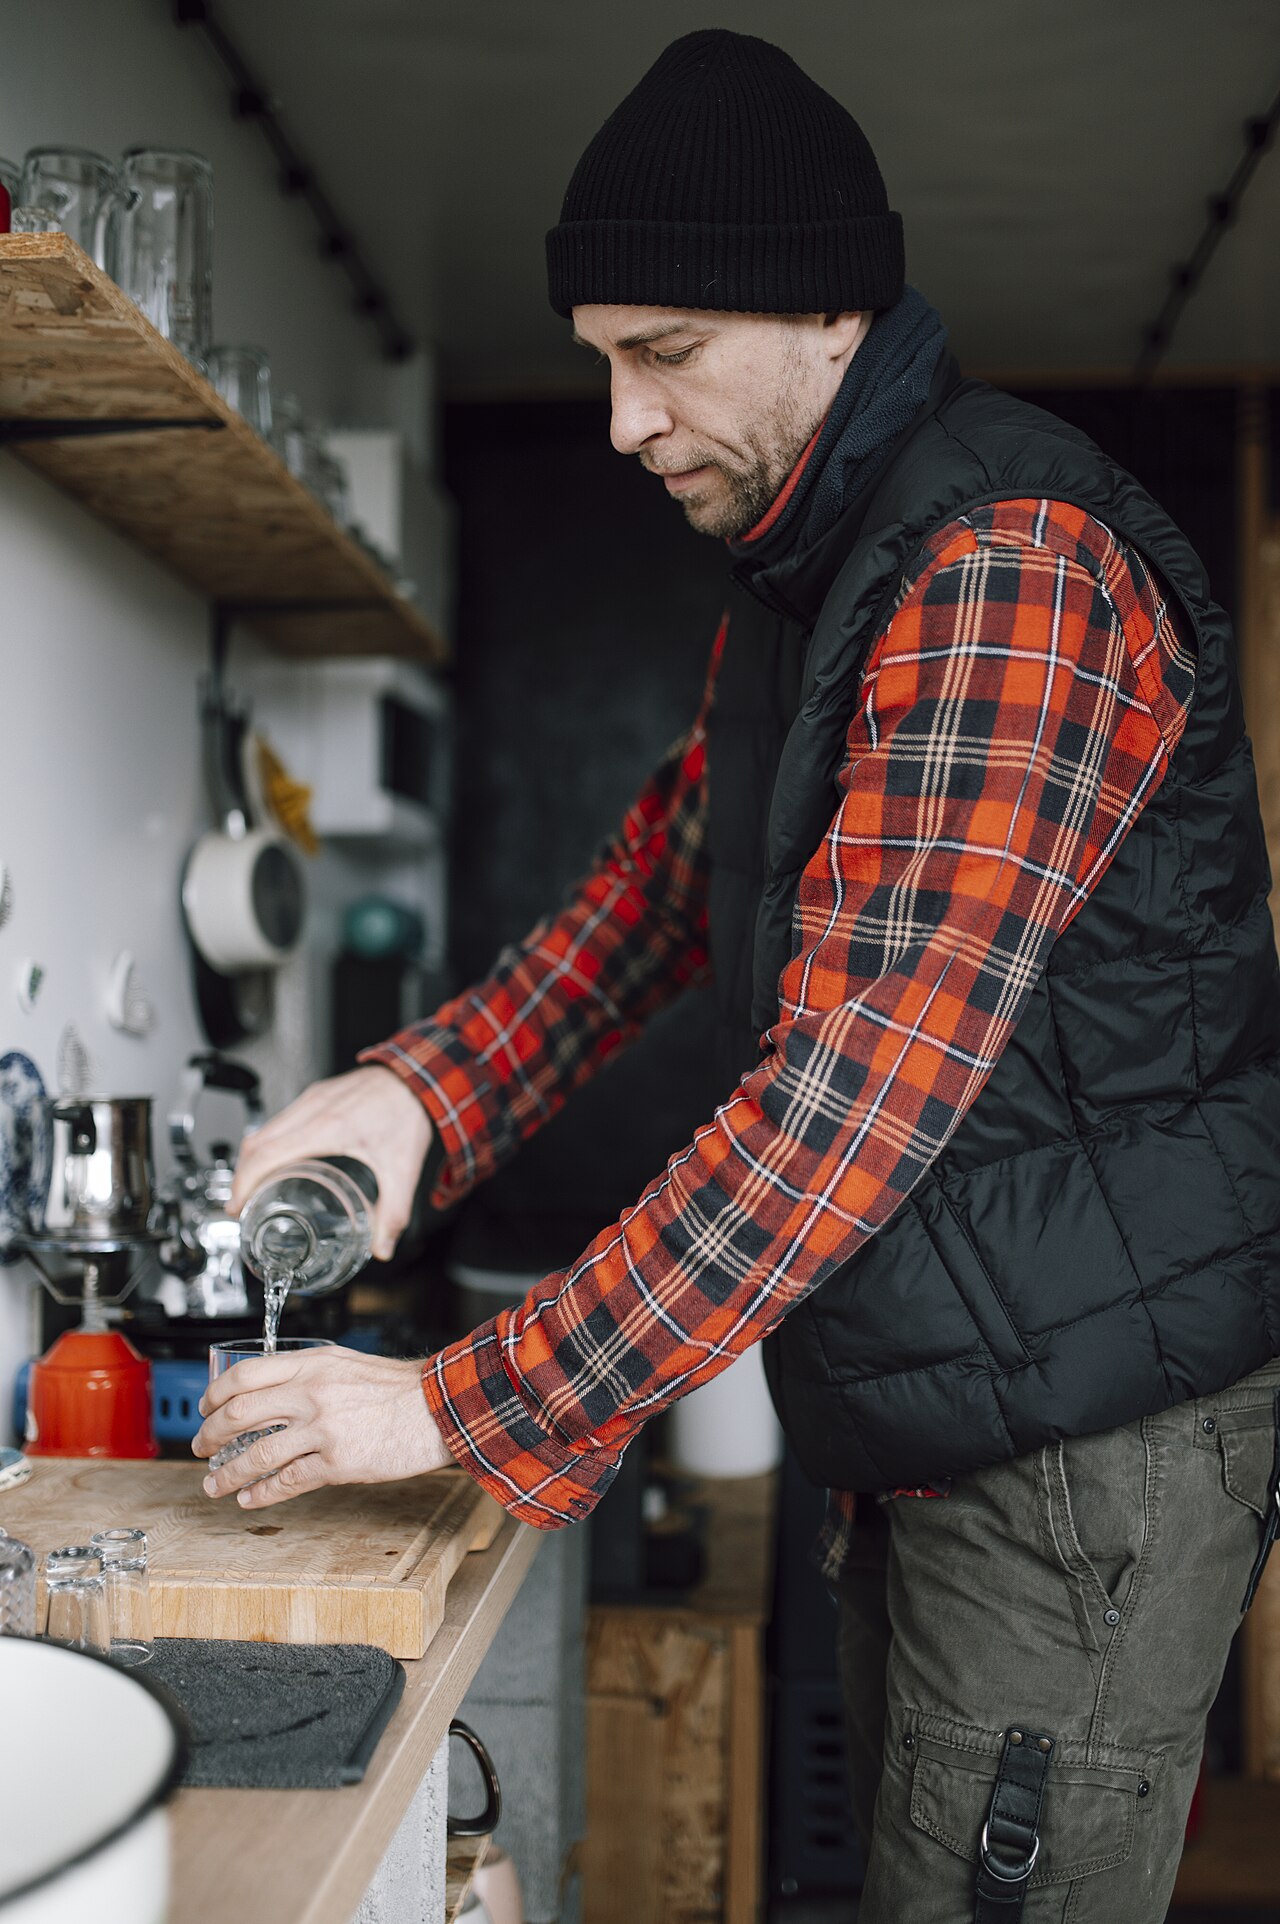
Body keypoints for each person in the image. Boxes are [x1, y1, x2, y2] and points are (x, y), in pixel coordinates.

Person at [194, 30, 1280, 1921]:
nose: (623, 419)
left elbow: (852, 1103)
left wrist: (455, 1406)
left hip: (1080, 1444)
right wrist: (417, 1096)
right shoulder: (812, 576)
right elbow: (657, 896)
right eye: (605, 357)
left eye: (668, 353)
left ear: (831, 314)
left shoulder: (1006, 568)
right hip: (941, 1402)